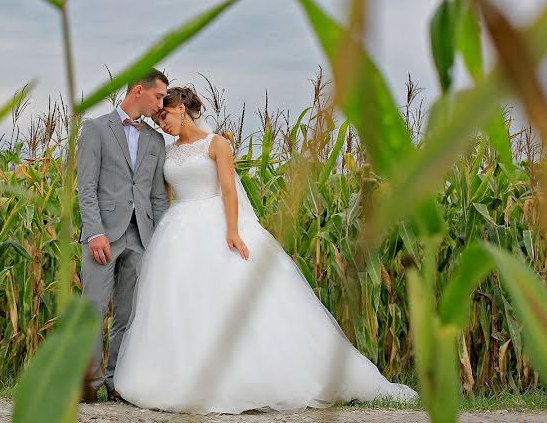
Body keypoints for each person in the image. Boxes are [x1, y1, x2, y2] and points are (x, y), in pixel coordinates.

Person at [113, 85, 418, 414]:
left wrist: (231, 230)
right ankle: (178, 373)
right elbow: (164, 195)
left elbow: (229, 190)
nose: (161, 122)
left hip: (215, 223)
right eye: (157, 117)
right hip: (177, 231)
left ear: (181, 110)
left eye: (164, 115)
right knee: (182, 303)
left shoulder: (216, 144)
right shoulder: (168, 152)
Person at [76, 68, 170, 402]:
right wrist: (94, 232)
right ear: (139, 91)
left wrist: (160, 242)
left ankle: (118, 382)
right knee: (94, 309)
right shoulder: (95, 129)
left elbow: (157, 197)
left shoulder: (156, 140)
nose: (161, 105)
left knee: (129, 314)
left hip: (141, 237)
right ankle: (88, 383)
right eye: (159, 97)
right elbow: (85, 187)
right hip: (103, 236)